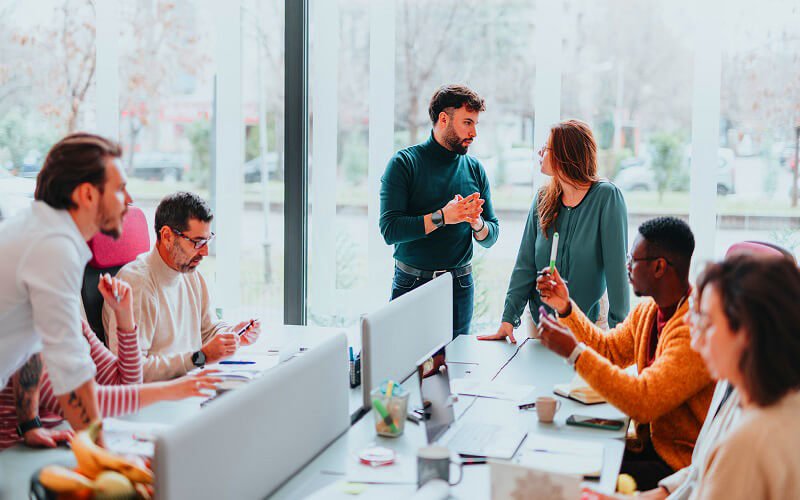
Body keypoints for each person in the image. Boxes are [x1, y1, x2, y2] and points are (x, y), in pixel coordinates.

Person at [535, 217, 715, 490]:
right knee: (570, 457)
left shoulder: (692, 329)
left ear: (659, 267)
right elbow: (608, 349)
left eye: (633, 259)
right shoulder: (649, 312)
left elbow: (644, 400)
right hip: (650, 450)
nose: (627, 265)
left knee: (572, 476)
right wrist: (565, 307)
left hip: (679, 468)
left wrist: (574, 353)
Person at [0, 133, 131, 442]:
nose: (127, 201)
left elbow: (34, 343)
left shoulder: (43, 230)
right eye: (120, 189)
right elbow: (71, 375)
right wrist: (104, 464)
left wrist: (30, 424)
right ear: (87, 194)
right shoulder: (53, 246)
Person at [0, 275, 221, 449]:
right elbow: (82, 401)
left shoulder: (68, 318)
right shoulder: (23, 325)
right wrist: (172, 389)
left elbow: (125, 383)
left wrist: (125, 318)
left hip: (63, 442)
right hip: (18, 456)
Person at [479, 119, 629, 344]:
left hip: (588, 326)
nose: (540, 152)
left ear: (565, 154)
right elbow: (525, 264)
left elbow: (617, 274)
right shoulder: (542, 199)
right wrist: (508, 320)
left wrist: (621, 340)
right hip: (541, 324)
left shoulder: (607, 197)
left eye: (547, 147)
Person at [379, 84, 499, 338]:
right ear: (444, 119)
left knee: (455, 368)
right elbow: (390, 230)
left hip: (460, 285)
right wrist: (443, 217)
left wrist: (477, 223)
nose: (474, 132)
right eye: (467, 122)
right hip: (411, 283)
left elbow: (491, 236)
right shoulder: (404, 164)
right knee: (404, 365)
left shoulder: (475, 168)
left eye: (476, 123)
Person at [103, 192, 260, 382]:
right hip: (158, 400)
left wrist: (232, 334)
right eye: (197, 242)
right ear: (167, 236)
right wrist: (200, 357)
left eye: (207, 240)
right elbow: (133, 373)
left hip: (188, 386)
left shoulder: (190, 274)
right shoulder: (137, 285)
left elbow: (207, 329)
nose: (205, 251)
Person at [687, 255, 800, 499]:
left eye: (706, 322)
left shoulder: (747, 445)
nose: (698, 343)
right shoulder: (782, 402)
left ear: (746, 332)